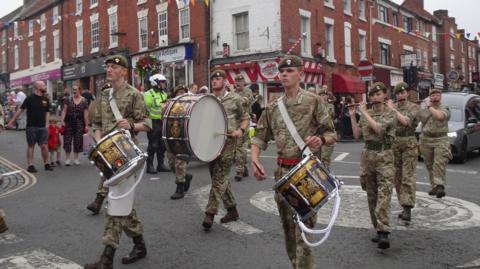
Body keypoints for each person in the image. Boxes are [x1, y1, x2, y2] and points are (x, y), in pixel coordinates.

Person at [250, 55, 336, 269]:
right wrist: (254, 159)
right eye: (282, 71)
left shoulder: (313, 101)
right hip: (282, 173)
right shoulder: (272, 107)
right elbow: (259, 136)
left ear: (301, 74)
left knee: (304, 230)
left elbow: (331, 133)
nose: (285, 74)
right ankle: (296, 264)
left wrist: (321, 139)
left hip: (306, 173)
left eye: (290, 71)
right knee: (288, 228)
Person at [84, 55, 152, 269]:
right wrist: (97, 144)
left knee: (116, 204)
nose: (109, 69)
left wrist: (131, 125)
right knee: (124, 204)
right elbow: (96, 124)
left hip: (127, 156)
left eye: (113, 67)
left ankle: (107, 259)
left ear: (124, 71)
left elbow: (148, 124)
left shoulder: (134, 95)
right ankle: (139, 245)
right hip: (108, 157)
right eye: (108, 66)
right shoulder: (104, 95)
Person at [349, 82, 395, 249]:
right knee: (371, 196)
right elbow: (356, 135)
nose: (375, 97)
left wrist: (364, 113)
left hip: (385, 157)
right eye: (372, 95)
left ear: (384, 95)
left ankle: (384, 231)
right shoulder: (365, 113)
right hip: (368, 157)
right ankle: (378, 228)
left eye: (378, 94)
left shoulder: (390, 112)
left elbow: (379, 129)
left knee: (384, 194)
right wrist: (353, 115)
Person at [202, 69, 249, 230]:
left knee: (219, 177)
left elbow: (245, 118)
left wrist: (240, 131)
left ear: (224, 81)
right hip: (211, 143)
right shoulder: (207, 100)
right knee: (220, 177)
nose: (214, 81)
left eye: (218, 78)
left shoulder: (235, 99)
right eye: (213, 79)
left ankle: (210, 213)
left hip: (228, 142)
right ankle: (232, 210)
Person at [387, 82, 419, 221]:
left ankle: (407, 208)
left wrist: (392, 110)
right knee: (397, 177)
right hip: (395, 144)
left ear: (407, 93)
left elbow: (406, 122)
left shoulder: (413, 107)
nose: (400, 95)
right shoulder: (392, 107)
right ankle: (403, 204)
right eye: (398, 93)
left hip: (409, 144)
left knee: (407, 176)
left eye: (403, 92)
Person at [7, 81, 53, 172]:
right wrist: (12, 121)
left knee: (44, 145)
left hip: (42, 127)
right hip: (31, 126)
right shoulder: (29, 98)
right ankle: (30, 165)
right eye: (43, 85)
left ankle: (46, 163)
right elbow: (20, 110)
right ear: (38, 87)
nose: (45, 87)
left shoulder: (46, 99)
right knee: (31, 145)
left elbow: (47, 113)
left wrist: (47, 125)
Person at [418, 88, 452, 198]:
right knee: (429, 165)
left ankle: (440, 185)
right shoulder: (425, 109)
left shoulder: (444, 108)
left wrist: (429, 107)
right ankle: (434, 186)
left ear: (440, 97)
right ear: (430, 97)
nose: (435, 97)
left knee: (439, 163)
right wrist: (422, 107)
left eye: (437, 95)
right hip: (426, 139)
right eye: (432, 96)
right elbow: (421, 119)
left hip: (440, 139)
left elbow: (440, 117)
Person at [167, 85, 193, 200]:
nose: (181, 94)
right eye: (178, 92)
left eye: (183, 92)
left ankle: (180, 188)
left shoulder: (190, 105)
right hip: (171, 138)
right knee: (172, 164)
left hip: (184, 138)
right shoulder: (170, 105)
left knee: (180, 163)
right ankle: (186, 177)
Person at [144, 73, 170, 174]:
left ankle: (161, 164)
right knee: (153, 145)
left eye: (164, 83)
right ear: (156, 83)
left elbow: (164, 106)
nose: (164, 84)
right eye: (162, 83)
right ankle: (149, 165)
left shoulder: (163, 94)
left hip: (162, 121)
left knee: (162, 145)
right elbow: (146, 107)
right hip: (152, 121)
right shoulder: (148, 94)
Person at [233, 74, 254, 182]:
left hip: (244, 121)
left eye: (240, 81)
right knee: (240, 147)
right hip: (235, 122)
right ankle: (244, 168)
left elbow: (244, 101)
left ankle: (239, 171)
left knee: (240, 147)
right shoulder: (233, 92)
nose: (238, 83)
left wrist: (232, 96)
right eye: (237, 81)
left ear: (243, 82)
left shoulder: (247, 91)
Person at [61, 85, 89, 165]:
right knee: (67, 140)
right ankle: (67, 159)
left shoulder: (84, 100)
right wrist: (62, 120)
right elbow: (64, 110)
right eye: (73, 90)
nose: (74, 91)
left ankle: (76, 159)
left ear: (79, 90)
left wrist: (86, 125)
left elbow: (86, 113)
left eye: (75, 89)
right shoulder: (68, 99)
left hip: (79, 122)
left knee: (78, 140)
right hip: (69, 122)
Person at [317, 85, 336, 170]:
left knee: (325, 158)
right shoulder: (316, 107)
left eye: (325, 95)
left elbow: (331, 116)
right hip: (318, 134)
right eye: (321, 95)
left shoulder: (330, 106)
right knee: (317, 159)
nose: (323, 97)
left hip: (328, 133)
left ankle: (326, 174)